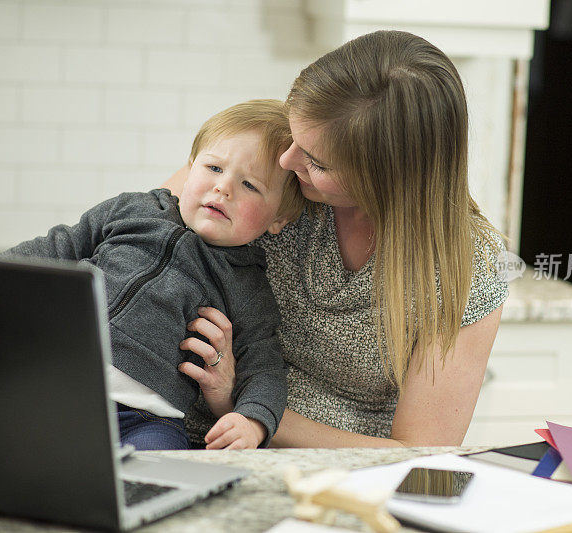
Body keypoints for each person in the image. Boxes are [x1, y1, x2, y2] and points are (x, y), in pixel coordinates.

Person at [163, 30, 509, 449]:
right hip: (181, 436)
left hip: (336, 480)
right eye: (295, 135)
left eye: (317, 162)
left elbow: (422, 453)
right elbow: (139, 246)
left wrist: (244, 406)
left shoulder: (467, 267)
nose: (287, 160)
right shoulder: (263, 168)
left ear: (388, 178)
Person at [0, 100, 304, 451]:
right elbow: (56, 248)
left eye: (250, 184)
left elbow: (264, 367)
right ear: (190, 168)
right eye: (214, 167)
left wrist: (252, 421)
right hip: (55, 378)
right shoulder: (134, 208)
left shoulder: (248, 286)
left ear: (278, 218)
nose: (224, 188)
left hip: (145, 419)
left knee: (164, 474)